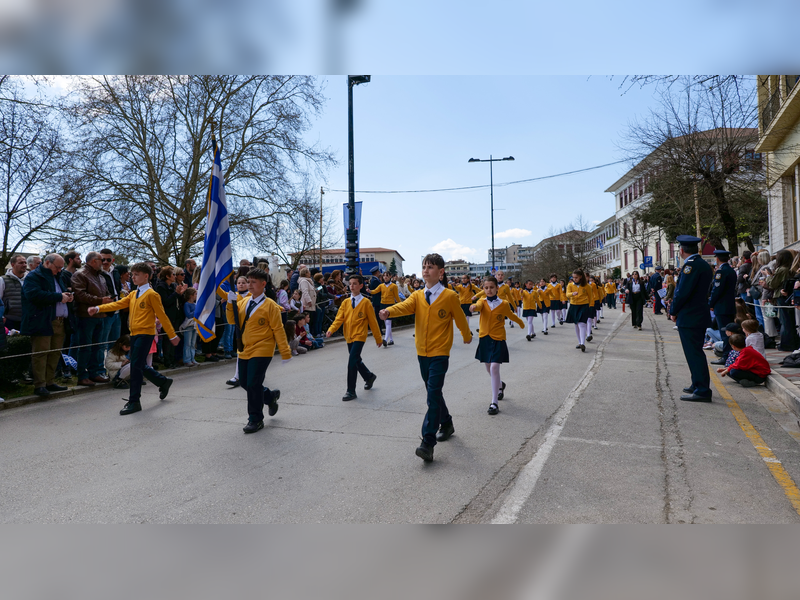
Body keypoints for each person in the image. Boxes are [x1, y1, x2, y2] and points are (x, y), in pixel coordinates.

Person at [380, 253, 472, 463]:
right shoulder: (418, 295)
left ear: (440, 273)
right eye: (424, 266)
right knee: (435, 393)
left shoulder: (449, 296)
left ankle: (427, 443)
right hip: (422, 352)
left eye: (430, 267)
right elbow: (404, 307)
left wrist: (467, 336)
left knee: (432, 396)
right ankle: (446, 422)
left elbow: (460, 319)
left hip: (440, 353)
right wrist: (388, 312)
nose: (425, 270)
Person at [88, 262, 179, 415]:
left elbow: (162, 315)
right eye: (132, 274)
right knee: (138, 364)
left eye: (137, 274)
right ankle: (163, 381)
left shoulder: (152, 294)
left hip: (146, 334)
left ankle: (134, 401)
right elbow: (117, 304)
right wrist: (98, 308)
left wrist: (172, 335)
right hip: (134, 334)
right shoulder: (133, 294)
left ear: (147, 276)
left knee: (136, 366)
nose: (133, 277)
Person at [225, 267, 290, 434]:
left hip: (263, 348)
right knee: (246, 383)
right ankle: (269, 396)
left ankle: (255, 419)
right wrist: (229, 304)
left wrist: (285, 351)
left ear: (263, 284)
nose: (250, 285)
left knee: (253, 383)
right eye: (249, 282)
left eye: (254, 282)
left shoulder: (271, 306)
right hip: (245, 348)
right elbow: (232, 321)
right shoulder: (243, 302)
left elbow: (278, 329)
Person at [21, 254, 75, 396]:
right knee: (41, 353)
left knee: (55, 353)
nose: (59, 270)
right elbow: (34, 295)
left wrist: (68, 295)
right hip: (42, 320)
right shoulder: (34, 276)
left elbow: (59, 292)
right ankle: (40, 385)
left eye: (61, 267)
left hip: (60, 321)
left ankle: (50, 382)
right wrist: (59, 297)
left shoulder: (58, 276)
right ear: (47, 263)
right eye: (57, 267)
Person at [470, 276, 525, 415]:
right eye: (486, 288)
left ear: (497, 288)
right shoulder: (482, 302)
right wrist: (473, 306)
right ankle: (500, 385)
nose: (489, 290)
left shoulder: (504, 304)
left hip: (498, 338)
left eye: (491, 287)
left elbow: (511, 315)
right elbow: (478, 306)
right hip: (485, 338)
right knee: (489, 368)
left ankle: (494, 402)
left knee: (494, 367)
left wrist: (520, 322)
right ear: (483, 289)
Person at [670, 235, 715, 402]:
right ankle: (697, 383)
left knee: (694, 353)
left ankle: (702, 389)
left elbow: (682, 292)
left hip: (690, 316)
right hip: (697, 314)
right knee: (694, 352)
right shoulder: (701, 264)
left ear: (681, 250)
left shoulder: (690, 266)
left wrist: (673, 310)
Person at [326, 273, 383, 401]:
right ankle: (369, 377)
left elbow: (373, 322)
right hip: (349, 336)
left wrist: (378, 338)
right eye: (350, 284)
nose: (352, 286)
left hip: (359, 336)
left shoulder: (366, 302)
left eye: (355, 284)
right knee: (356, 360)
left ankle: (350, 391)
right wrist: (331, 329)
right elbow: (338, 319)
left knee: (352, 361)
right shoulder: (345, 302)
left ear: (361, 285)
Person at [72, 252, 112, 387]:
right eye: (102, 260)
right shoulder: (80, 274)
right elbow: (79, 294)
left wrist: (107, 300)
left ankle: (95, 373)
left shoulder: (100, 276)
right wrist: (100, 300)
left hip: (100, 315)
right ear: (94, 261)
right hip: (85, 316)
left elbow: (105, 292)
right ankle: (82, 375)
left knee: (98, 346)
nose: (104, 262)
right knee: (85, 347)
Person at [708, 248, 738, 366]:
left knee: (725, 332)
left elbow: (717, 290)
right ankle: (730, 354)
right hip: (729, 304)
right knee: (729, 331)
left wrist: (711, 303)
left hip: (722, 306)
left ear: (717, 259)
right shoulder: (730, 271)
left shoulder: (721, 272)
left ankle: (726, 356)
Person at [565, 268, 591, 351]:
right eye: (573, 277)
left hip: (584, 305)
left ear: (580, 277)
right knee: (576, 324)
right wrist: (572, 293)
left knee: (582, 324)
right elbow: (567, 294)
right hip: (574, 306)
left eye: (576, 277)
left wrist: (590, 307)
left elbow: (591, 297)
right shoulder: (570, 285)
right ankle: (580, 342)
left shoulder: (587, 286)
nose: (574, 279)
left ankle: (583, 343)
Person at [0, 255, 28, 331]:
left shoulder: (29, 280)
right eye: (21, 263)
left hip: (28, 319)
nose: (24, 265)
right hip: (9, 320)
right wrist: (1, 316)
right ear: (13, 264)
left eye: (25, 262)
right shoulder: (2, 280)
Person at [374, 271, 400, 346]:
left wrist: (401, 303)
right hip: (383, 304)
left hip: (390, 305)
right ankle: (391, 340)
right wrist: (369, 291)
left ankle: (385, 339)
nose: (385, 277)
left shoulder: (394, 286)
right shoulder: (381, 285)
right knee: (387, 323)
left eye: (387, 275)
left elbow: (396, 296)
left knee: (388, 322)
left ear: (390, 277)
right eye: (384, 275)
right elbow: (375, 291)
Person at [181, 288, 200, 367]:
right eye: (195, 294)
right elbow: (188, 315)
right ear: (191, 296)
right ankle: (187, 359)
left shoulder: (195, 304)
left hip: (194, 325)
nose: (196, 296)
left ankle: (192, 359)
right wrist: (196, 310)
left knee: (193, 343)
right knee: (187, 343)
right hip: (189, 325)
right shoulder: (187, 304)